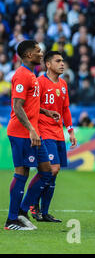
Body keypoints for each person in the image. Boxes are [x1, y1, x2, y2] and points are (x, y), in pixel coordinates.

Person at [5, 40, 60, 230]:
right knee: (22, 172)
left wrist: (45, 111)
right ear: (29, 55)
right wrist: (31, 129)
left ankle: (21, 212)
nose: (41, 53)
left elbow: (30, 104)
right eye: (38, 51)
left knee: (47, 172)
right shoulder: (22, 75)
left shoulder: (32, 75)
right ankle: (12, 220)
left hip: (31, 131)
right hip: (22, 133)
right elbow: (17, 106)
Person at [29, 51, 77, 223]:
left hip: (58, 133)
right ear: (48, 64)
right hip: (44, 132)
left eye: (63, 61)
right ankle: (32, 204)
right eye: (58, 61)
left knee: (55, 173)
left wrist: (70, 131)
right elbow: (33, 107)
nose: (62, 64)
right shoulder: (40, 82)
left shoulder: (63, 84)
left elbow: (65, 109)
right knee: (51, 169)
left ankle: (45, 212)